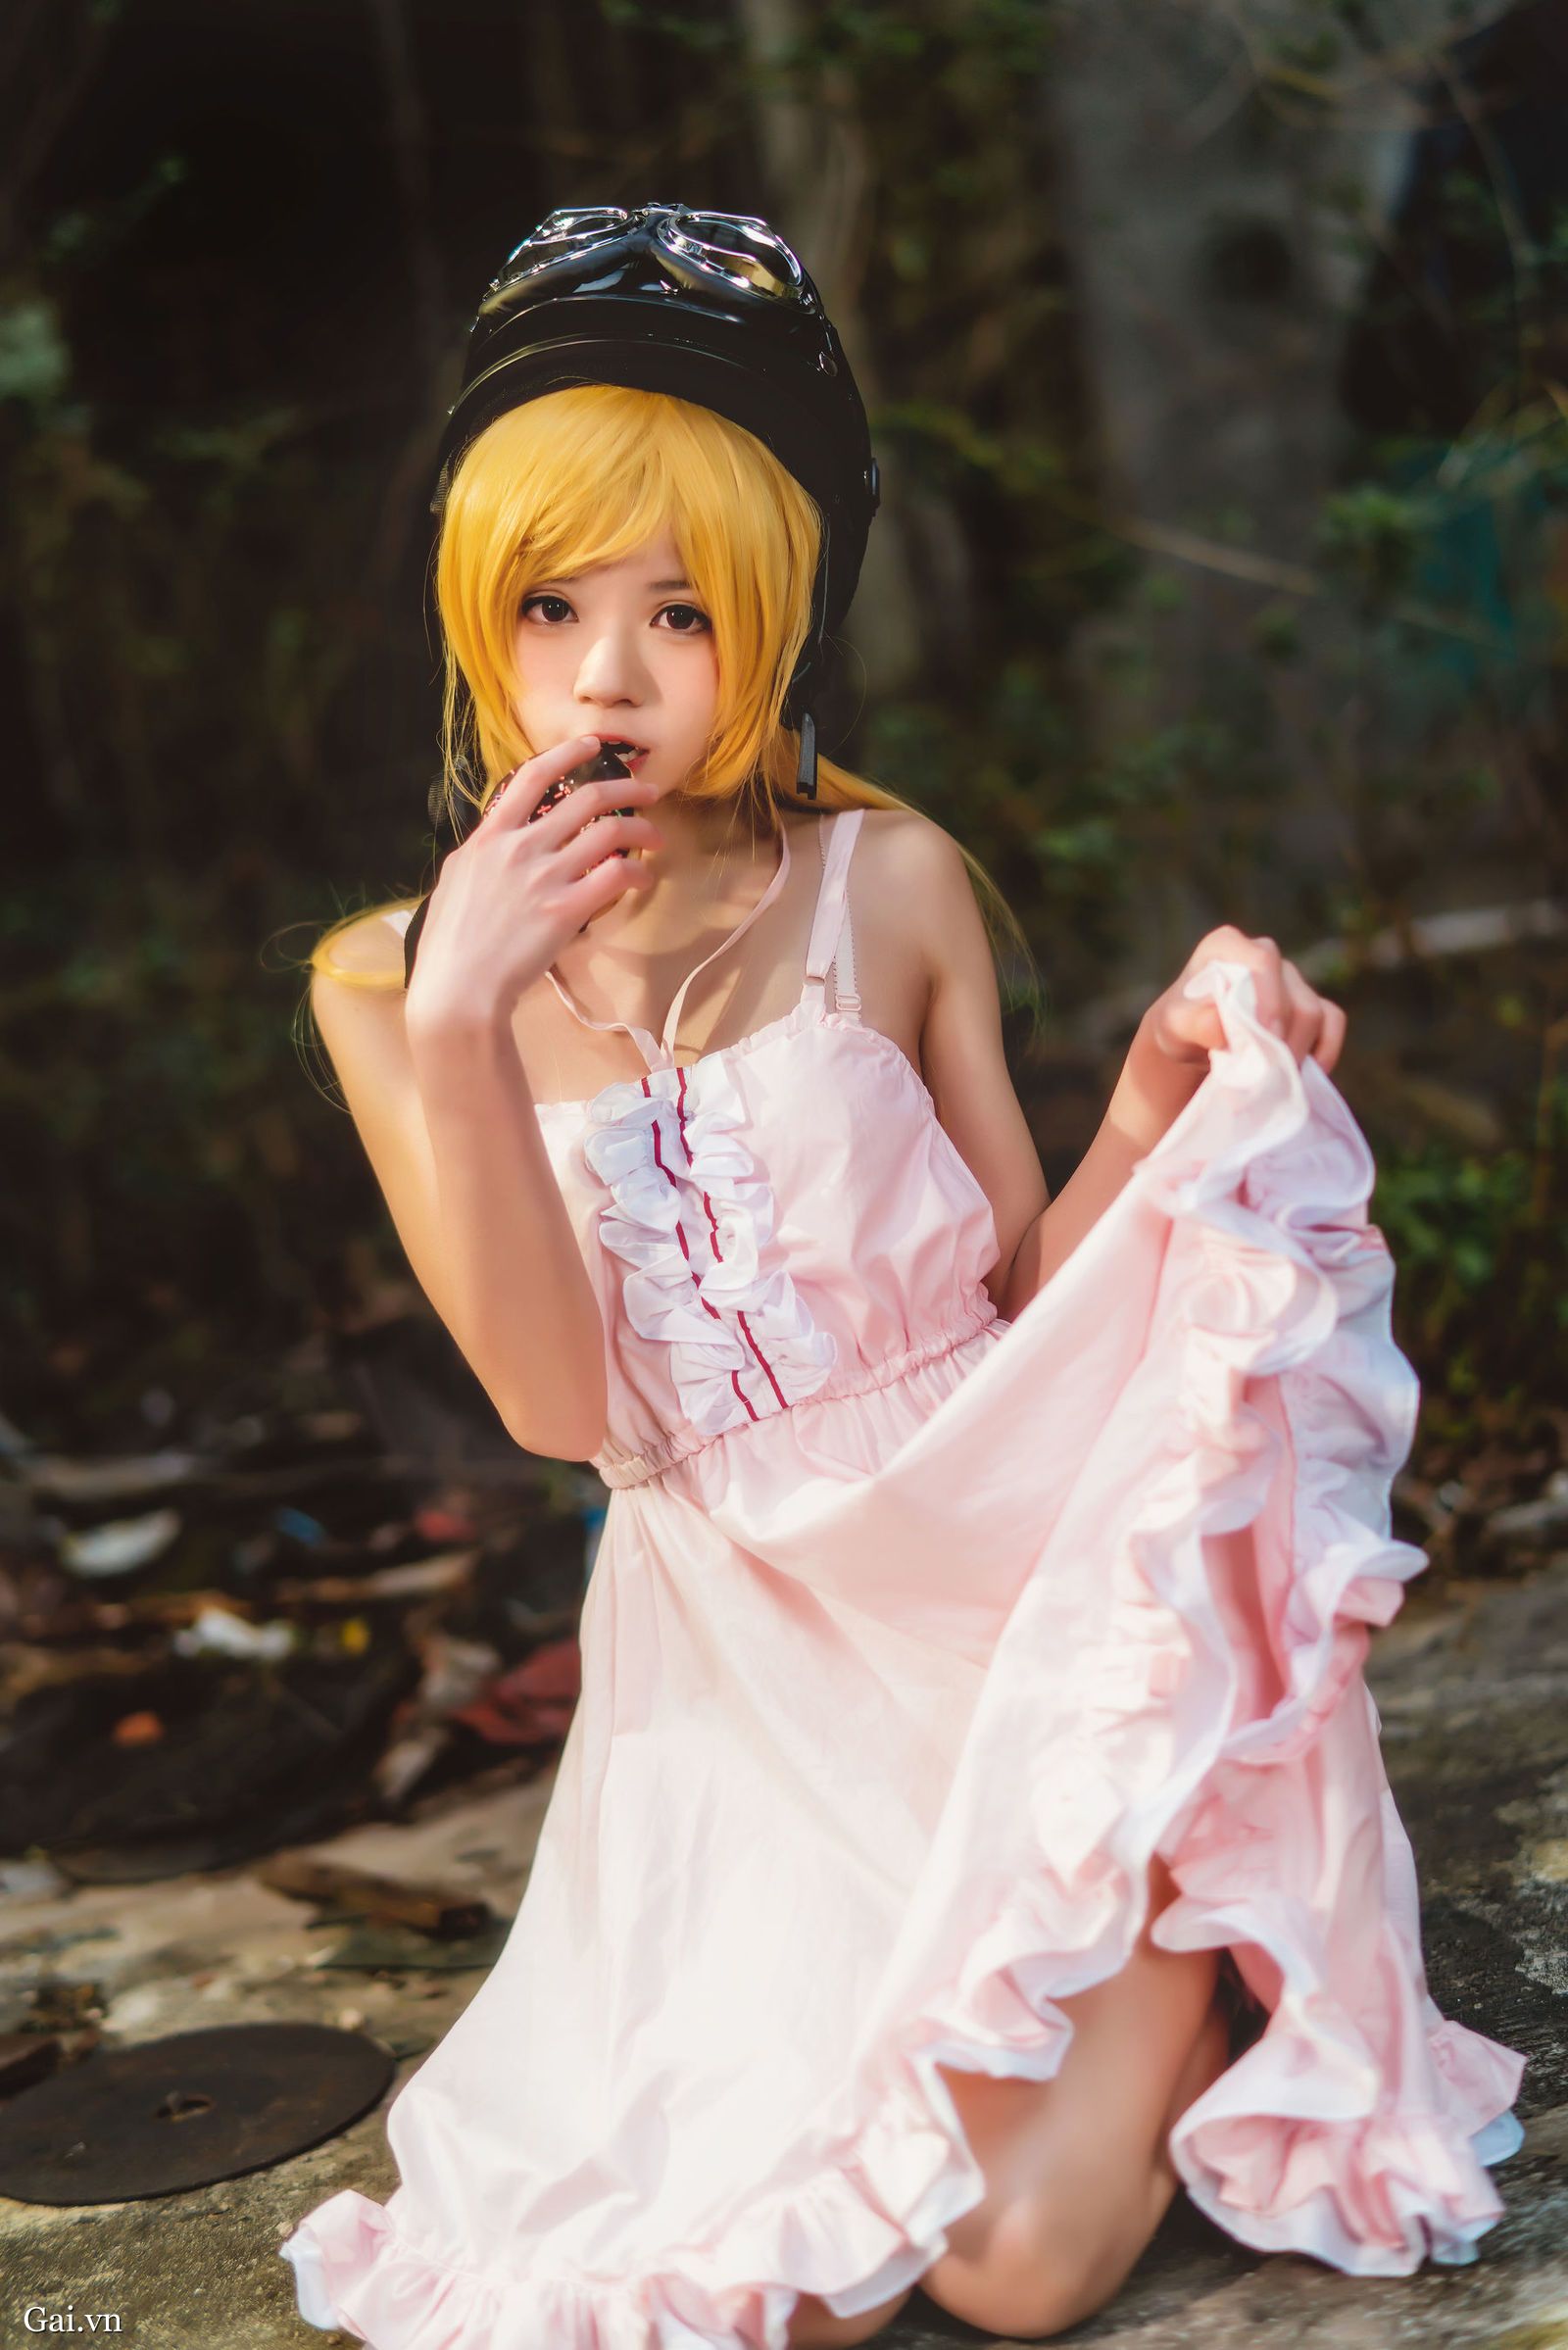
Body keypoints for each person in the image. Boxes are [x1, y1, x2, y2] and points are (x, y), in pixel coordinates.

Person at [279, 205, 1525, 2349]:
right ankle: (1139, 1955)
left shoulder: (891, 878)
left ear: (778, 619)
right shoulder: (390, 987)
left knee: (1013, 2269)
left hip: (1004, 1600)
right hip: (732, 1682)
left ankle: (1181, 1911)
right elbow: (560, 1409)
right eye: (551, 603)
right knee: (777, 2281)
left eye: (682, 609)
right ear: (474, 614)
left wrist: (1149, 1096)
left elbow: (1018, 1310)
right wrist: (471, 1014)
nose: (605, 673)